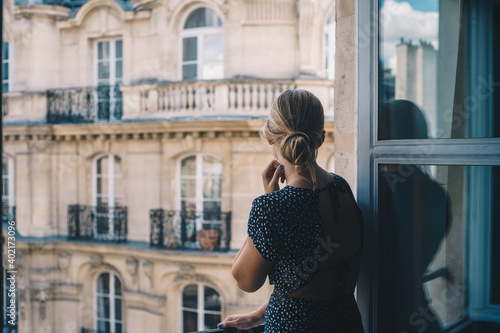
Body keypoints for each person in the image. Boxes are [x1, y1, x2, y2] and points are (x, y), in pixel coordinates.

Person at [218, 90, 365, 332]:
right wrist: (258, 315)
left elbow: (244, 280)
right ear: (320, 139)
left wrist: (269, 203)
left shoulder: (272, 206)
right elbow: (320, 279)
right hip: (346, 322)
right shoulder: (342, 189)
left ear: (270, 140)